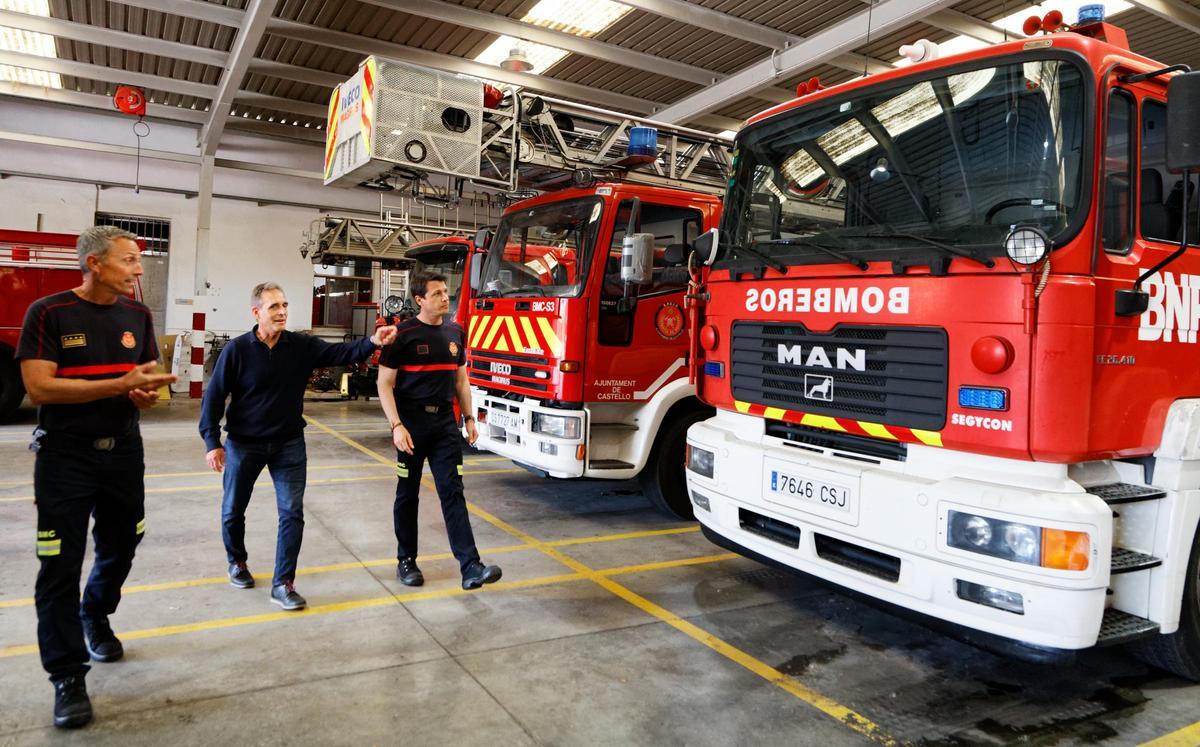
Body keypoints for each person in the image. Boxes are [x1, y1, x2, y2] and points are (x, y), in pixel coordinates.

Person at [17, 225, 177, 729]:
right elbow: (40, 388)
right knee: (59, 565)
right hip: (65, 458)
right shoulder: (48, 313)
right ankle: (67, 675)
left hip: (123, 453)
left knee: (123, 543)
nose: (137, 270)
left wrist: (143, 393)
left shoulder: (138, 315)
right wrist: (120, 384)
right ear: (95, 264)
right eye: (129, 261)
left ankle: (96, 612)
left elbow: (144, 375)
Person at [199, 282, 397, 611]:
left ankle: (283, 583)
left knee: (292, 513)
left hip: (288, 443)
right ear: (256, 312)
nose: (282, 312)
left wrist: (373, 341)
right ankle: (237, 562)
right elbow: (214, 397)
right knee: (233, 509)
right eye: (274, 306)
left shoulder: (299, 346)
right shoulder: (236, 350)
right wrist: (212, 442)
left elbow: (339, 354)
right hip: (243, 444)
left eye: (285, 305)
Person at [377, 272, 501, 591]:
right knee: (408, 494)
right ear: (420, 300)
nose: (445, 298)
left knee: (453, 491)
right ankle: (406, 561)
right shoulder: (402, 335)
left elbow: (461, 380)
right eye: (436, 294)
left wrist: (470, 419)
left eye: (446, 292)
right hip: (411, 425)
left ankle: (471, 566)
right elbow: (384, 383)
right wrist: (396, 426)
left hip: (445, 424)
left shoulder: (455, 331)